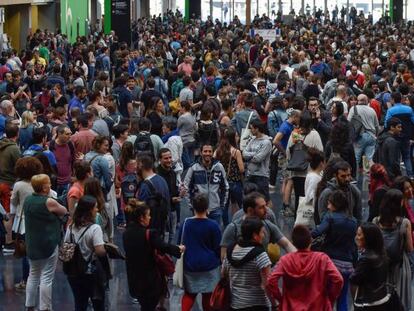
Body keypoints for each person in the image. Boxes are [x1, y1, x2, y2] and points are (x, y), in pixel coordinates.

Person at [122, 199, 184, 311]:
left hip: (134, 279)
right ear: (141, 218)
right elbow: (164, 246)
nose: (150, 218)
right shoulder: (150, 234)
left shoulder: (126, 233)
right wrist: (178, 249)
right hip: (150, 280)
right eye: (148, 215)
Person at [267, 224, 343, 311]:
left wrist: (281, 299)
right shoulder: (322, 258)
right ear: (310, 240)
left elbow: (271, 280)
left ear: (293, 243)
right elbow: (338, 279)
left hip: (290, 307)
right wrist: (330, 297)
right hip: (319, 306)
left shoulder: (286, 260)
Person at [24, 174, 68, 311]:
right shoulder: (49, 202)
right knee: (47, 276)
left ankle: (29, 305)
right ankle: (45, 307)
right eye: (48, 183)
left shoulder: (28, 200)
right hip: (48, 243)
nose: (50, 185)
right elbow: (64, 211)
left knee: (33, 274)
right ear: (44, 188)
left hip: (32, 243)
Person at [311, 190, 357, 311]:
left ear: (335, 204)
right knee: (342, 298)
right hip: (347, 265)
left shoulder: (330, 217)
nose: (328, 206)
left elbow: (317, 232)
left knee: (327, 298)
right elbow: (354, 244)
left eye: (329, 203)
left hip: (330, 263)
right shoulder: (353, 221)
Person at [64, 195, 108, 311]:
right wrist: (107, 248)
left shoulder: (70, 227)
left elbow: (66, 245)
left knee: (80, 303)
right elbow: (100, 251)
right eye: (95, 208)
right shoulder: (95, 228)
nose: (97, 210)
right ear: (89, 210)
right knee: (98, 303)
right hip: (90, 272)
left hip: (73, 272)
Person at [178, 194, 221, 311]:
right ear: (207, 207)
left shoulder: (185, 224)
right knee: (207, 295)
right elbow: (218, 248)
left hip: (190, 264)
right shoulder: (213, 225)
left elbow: (179, 244)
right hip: (209, 266)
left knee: (189, 294)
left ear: (193, 207)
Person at [221, 192, 296, 259]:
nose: (266, 210)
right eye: (261, 207)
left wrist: (299, 258)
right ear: (250, 210)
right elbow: (223, 256)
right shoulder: (233, 228)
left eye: (265, 206)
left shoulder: (268, 225)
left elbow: (286, 244)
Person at [372, 189, 413, 309]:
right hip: (399, 267)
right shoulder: (405, 223)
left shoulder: (375, 221)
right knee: (400, 300)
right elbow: (409, 248)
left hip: (380, 266)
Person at [223, 217, 273, 310]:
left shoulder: (230, 251)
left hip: (236, 304)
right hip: (258, 305)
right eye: (262, 232)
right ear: (255, 235)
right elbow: (267, 285)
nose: (264, 235)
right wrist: (274, 304)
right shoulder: (260, 255)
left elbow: (224, 274)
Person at [10, 157, 43, 290]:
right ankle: (38, 279)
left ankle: (26, 280)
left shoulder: (18, 185)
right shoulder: (40, 182)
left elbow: (14, 202)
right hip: (39, 220)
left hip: (23, 221)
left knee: (26, 252)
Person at [349, 223, 393, 310]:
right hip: (382, 298)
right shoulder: (381, 253)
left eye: (359, 235)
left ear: (368, 238)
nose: (356, 237)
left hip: (368, 303)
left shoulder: (366, 258)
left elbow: (354, 279)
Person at [183, 143, 229, 225]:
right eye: (205, 151)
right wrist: (192, 206)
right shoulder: (193, 168)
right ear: (201, 153)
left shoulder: (219, 167)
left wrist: (222, 205)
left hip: (215, 209)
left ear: (212, 152)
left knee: (215, 235)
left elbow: (225, 187)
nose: (207, 153)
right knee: (200, 235)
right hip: (199, 209)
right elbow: (186, 187)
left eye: (210, 151)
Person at [286, 113, 323, 213]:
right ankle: (307, 221)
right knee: (310, 199)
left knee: (298, 199)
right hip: (310, 173)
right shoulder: (314, 134)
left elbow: (288, 153)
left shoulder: (294, 134)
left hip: (296, 172)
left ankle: (298, 222)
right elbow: (320, 152)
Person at [214, 127, 244, 225]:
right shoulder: (236, 152)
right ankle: (241, 223)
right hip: (235, 182)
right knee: (242, 205)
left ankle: (227, 226)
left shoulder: (218, 150)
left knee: (224, 207)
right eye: (236, 136)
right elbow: (241, 169)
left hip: (222, 183)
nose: (238, 137)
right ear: (232, 138)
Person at [136, 155, 170, 237]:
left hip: (150, 230)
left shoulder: (145, 186)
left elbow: (142, 210)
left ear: (141, 165)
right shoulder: (162, 180)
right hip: (162, 226)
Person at [0, 123, 21, 252]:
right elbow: (19, 166)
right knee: (8, 213)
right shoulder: (14, 149)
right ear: (17, 134)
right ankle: (8, 243)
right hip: (7, 183)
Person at [384, 92, 414, 178]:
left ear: (393, 100)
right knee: (407, 157)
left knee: (396, 158)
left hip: (395, 137)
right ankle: (411, 176)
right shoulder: (409, 109)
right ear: (401, 99)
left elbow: (386, 124)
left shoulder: (391, 110)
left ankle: (398, 177)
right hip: (406, 137)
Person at [347, 93, 379, 171]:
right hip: (371, 136)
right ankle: (369, 177)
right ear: (366, 100)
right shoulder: (372, 110)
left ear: (358, 101)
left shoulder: (353, 109)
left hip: (359, 136)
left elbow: (348, 122)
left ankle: (356, 178)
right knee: (369, 159)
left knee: (356, 159)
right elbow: (376, 125)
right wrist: (376, 135)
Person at [243, 120, 272, 201]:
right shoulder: (252, 140)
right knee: (250, 200)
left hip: (261, 176)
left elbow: (258, 159)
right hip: (250, 174)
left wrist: (250, 155)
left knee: (264, 200)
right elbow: (244, 154)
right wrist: (255, 153)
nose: (250, 130)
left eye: (251, 128)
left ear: (257, 129)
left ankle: (268, 214)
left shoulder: (266, 142)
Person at [156, 148, 181, 243]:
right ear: (160, 160)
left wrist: (180, 193)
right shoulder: (157, 175)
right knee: (164, 238)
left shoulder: (173, 173)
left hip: (173, 210)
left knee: (172, 236)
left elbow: (173, 190)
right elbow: (158, 195)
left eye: (170, 157)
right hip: (163, 211)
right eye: (166, 158)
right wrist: (171, 199)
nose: (169, 160)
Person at [49, 124, 76, 196]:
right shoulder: (50, 146)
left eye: (70, 134)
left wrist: (73, 176)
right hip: (55, 183)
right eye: (67, 134)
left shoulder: (70, 145)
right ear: (59, 134)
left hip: (67, 182)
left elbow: (73, 160)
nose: (70, 136)